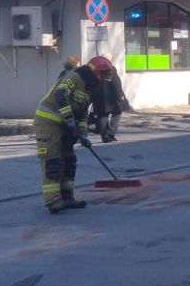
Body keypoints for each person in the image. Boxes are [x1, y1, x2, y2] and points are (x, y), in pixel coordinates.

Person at [34, 56, 112, 214]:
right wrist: (69, 120)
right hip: (48, 121)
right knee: (52, 160)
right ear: (95, 72)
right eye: (103, 74)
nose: (104, 78)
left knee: (69, 160)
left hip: (64, 124)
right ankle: (53, 202)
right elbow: (60, 95)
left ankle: (67, 197)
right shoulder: (74, 77)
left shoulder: (89, 88)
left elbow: (83, 113)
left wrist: (83, 133)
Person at [90, 53, 133, 143]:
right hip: (111, 96)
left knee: (102, 115)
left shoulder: (94, 69)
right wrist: (120, 95)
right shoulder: (111, 68)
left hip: (98, 96)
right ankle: (110, 133)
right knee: (117, 113)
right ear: (109, 60)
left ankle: (104, 135)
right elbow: (116, 83)